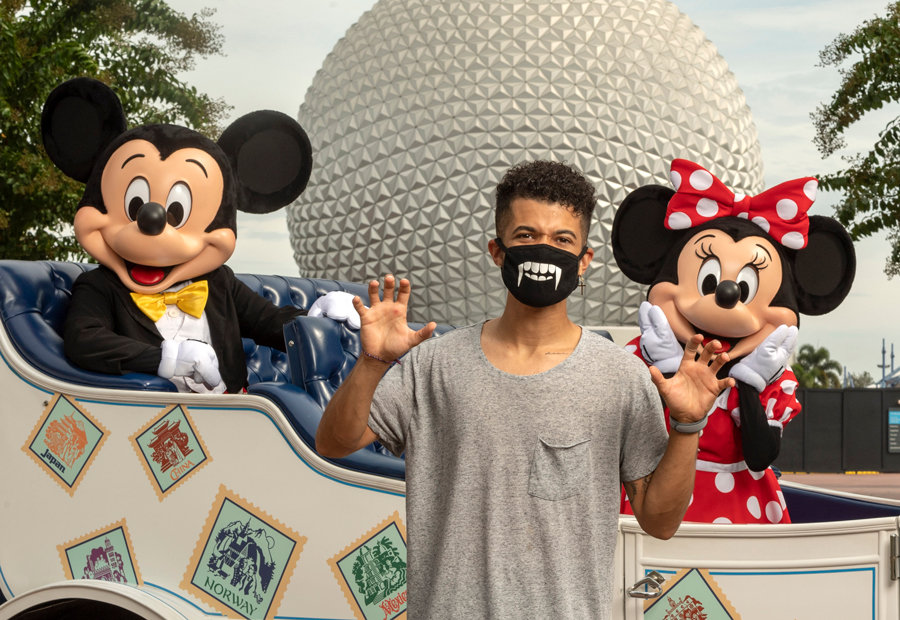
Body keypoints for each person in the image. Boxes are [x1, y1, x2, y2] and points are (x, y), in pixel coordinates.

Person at [315, 160, 733, 619]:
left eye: (562, 240)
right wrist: (373, 363)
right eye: (526, 236)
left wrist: (689, 424)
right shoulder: (433, 365)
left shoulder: (621, 377)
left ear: (585, 259)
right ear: (497, 250)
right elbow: (334, 443)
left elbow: (660, 522)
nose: (543, 249)